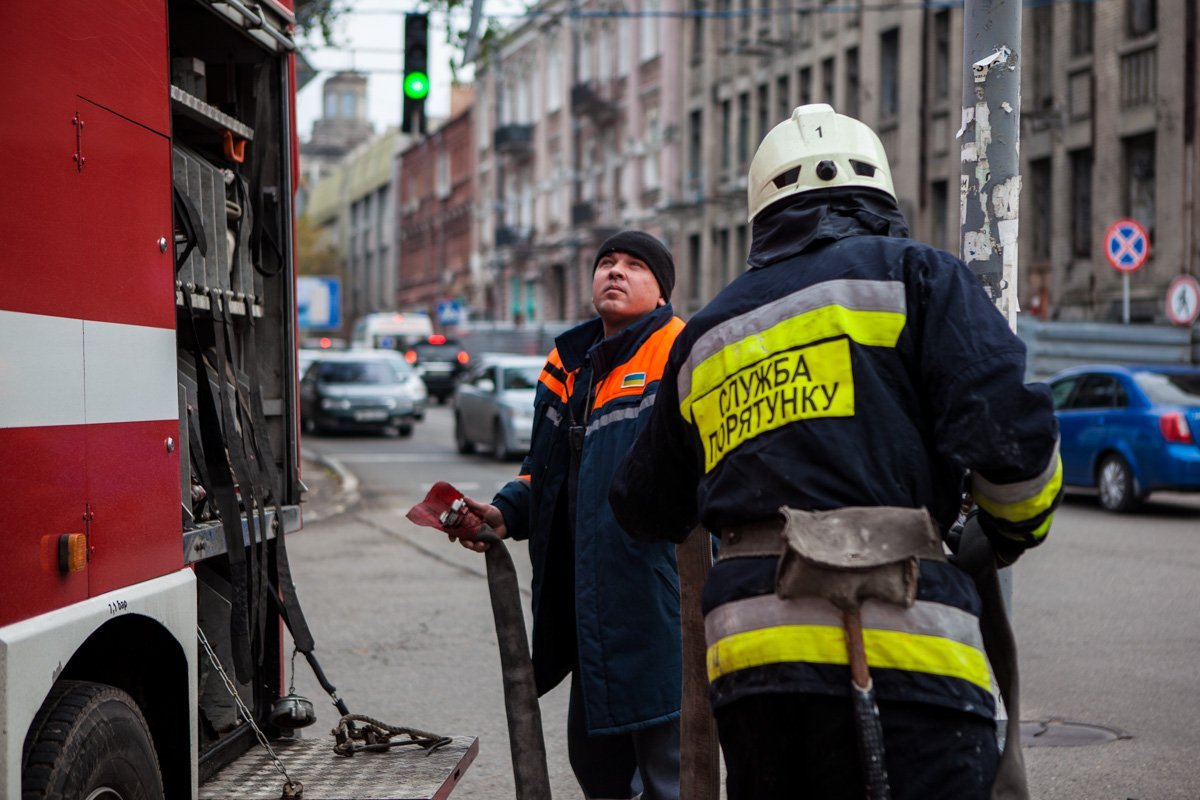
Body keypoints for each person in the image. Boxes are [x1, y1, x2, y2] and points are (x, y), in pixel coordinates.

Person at [608, 104, 1063, 800]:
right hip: (908, 642)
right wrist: (1006, 533)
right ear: (880, 192)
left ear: (761, 211)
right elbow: (1013, 438)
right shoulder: (919, 277)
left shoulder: (706, 333)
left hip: (751, 660)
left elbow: (644, 505)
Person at [454, 230, 686, 800]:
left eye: (635, 266)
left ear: (661, 294)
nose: (615, 272)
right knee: (596, 766)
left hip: (659, 599)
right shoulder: (568, 365)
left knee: (667, 771)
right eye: (607, 263)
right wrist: (505, 511)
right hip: (589, 602)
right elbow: (546, 469)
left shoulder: (681, 351)